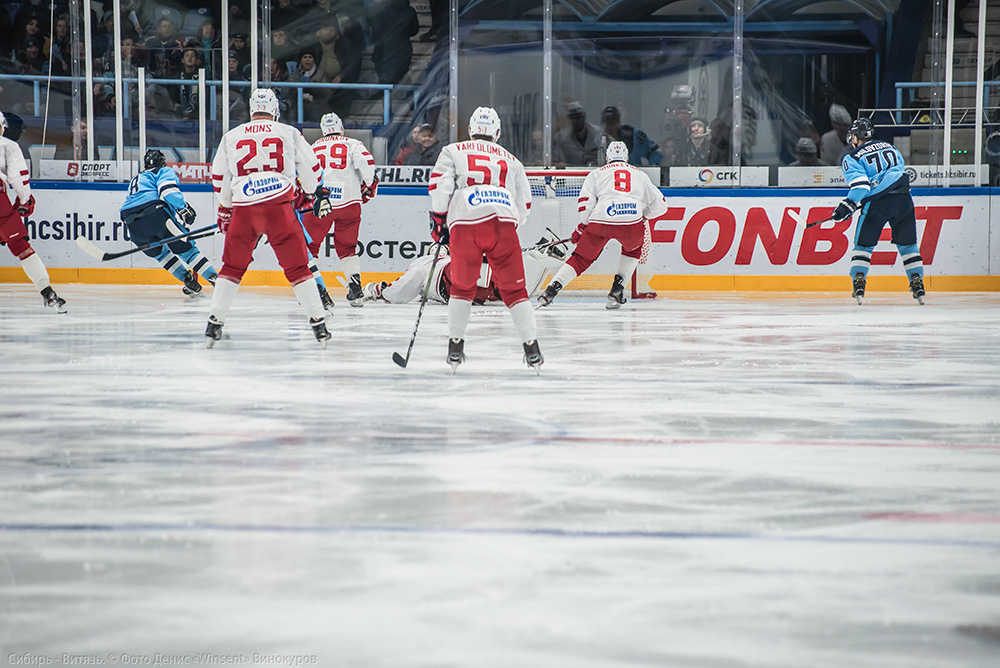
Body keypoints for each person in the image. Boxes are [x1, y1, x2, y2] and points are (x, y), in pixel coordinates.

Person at [205, 88, 334, 348]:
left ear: (251, 109)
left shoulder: (232, 136)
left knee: (232, 267)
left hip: (244, 208)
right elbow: (312, 169)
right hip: (279, 208)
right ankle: (318, 322)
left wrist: (227, 207)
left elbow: (219, 177)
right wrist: (312, 194)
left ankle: (215, 322)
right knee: (298, 268)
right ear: (275, 109)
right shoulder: (288, 132)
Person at [427, 106, 543, 372]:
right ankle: (531, 347)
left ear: (470, 130)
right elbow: (524, 204)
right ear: (497, 132)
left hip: (466, 222)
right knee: (515, 291)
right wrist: (510, 223)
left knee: (462, 289)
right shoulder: (512, 160)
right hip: (503, 222)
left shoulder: (453, 151)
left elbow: (439, 187)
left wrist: (440, 220)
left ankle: (455, 346)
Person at [537, 140, 667, 310]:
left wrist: (582, 227)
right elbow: (661, 205)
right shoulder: (640, 174)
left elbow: (585, 205)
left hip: (601, 220)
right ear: (626, 158)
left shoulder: (597, 173)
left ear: (607, 158)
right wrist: (643, 217)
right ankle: (617, 290)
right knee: (633, 249)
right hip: (631, 222)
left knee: (581, 259)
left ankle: (551, 290)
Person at [831, 117, 925, 305]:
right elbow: (896, 174)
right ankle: (917, 282)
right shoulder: (891, 148)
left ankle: (859, 281)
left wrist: (847, 204)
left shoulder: (852, 157)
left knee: (863, 246)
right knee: (908, 245)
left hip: (877, 204)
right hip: (903, 200)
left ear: (856, 136)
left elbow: (860, 187)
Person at [300, 111, 378, 306]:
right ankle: (355, 289)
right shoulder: (353, 144)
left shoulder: (312, 147)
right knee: (347, 247)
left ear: (322, 130)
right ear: (341, 128)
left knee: (310, 247)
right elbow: (367, 166)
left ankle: (313, 289)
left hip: (319, 203)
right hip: (349, 203)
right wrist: (368, 185)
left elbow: (303, 174)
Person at [120, 149, 218, 296]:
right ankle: (216, 280)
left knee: (161, 254)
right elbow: (168, 192)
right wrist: (184, 210)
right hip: (155, 214)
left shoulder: (137, 178)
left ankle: (187, 279)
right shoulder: (162, 170)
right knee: (187, 251)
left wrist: (177, 211)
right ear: (163, 162)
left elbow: (141, 200)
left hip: (131, 222)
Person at [0, 111, 67, 312]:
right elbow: (18, 178)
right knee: (21, 247)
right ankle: (47, 292)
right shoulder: (7, 145)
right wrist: (24, 199)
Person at [363, 241, 566, 305]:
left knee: (493, 287)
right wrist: (381, 290)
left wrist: (379, 291)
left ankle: (533, 257)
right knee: (499, 287)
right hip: (453, 281)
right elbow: (402, 289)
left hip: (456, 287)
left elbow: (401, 291)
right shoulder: (426, 261)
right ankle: (534, 256)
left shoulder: (430, 261)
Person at [552, 101, 602, 167]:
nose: (576, 121)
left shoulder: (598, 133)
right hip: (572, 173)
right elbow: (555, 161)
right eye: (573, 118)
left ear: (584, 117)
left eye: (578, 117)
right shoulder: (561, 138)